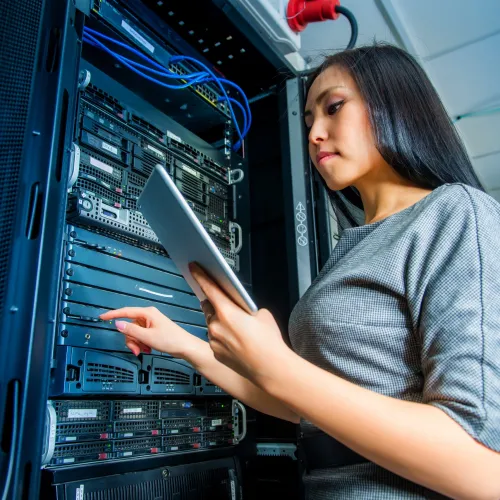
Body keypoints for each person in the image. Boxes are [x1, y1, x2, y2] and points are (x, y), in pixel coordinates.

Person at [100, 44, 500, 499]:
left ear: (395, 103)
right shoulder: (352, 248)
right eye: (309, 121)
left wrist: (279, 366)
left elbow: (484, 468)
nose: (314, 134)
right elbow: (306, 405)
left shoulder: (455, 213)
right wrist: (186, 346)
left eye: (333, 108)